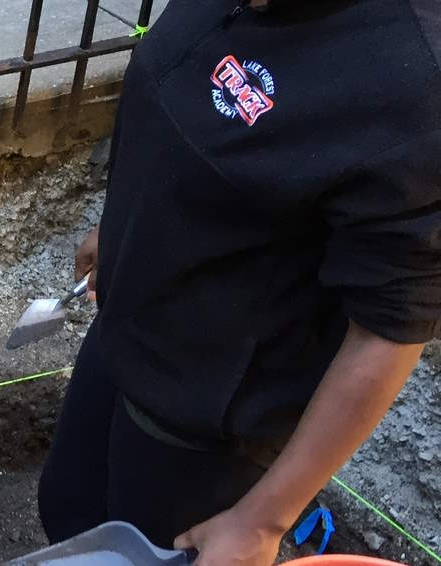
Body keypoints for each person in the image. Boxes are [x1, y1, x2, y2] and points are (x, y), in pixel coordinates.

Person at [36, 1, 441, 564]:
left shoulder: (415, 85)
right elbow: (184, 102)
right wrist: (121, 223)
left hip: (207, 418)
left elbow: (391, 325)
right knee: (68, 513)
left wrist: (261, 520)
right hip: (125, 327)